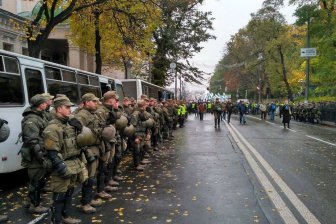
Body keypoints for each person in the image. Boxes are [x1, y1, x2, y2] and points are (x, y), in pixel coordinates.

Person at [43, 95, 82, 224]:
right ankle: (56, 220)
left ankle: (66, 216)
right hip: (62, 165)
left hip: (73, 163)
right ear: (59, 108)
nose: (70, 110)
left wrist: (79, 128)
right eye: (67, 107)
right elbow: (52, 152)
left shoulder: (68, 124)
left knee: (69, 192)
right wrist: (61, 167)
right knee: (59, 196)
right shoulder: (53, 128)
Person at [20, 94, 50, 214]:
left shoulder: (40, 115)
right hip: (35, 156)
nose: (47, 103)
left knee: (39, 179)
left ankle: (30, 201)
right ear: (40, 104)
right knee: (36, 180)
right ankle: (34, 205)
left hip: (40, 153)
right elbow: (33, 141)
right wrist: (42, 158)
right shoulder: (32, 119)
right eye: (44, 102)